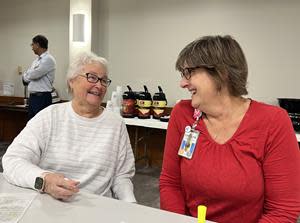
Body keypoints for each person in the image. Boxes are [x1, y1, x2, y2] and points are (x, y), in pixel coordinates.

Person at [159, 35, 300, 222]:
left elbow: (283, 210)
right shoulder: (182, 114)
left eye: (189, 72)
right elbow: (170, 183)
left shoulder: (273, 122)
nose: (183, 83)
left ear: (221, 72)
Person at [3, 51, 136, 203]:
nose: (99, 85)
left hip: (98, 209)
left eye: (104, 80)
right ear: (72, 80)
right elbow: (12, 161)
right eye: (92, 77)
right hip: (49, 206)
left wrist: (131, 205)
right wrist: (45, 181)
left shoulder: (116, 125)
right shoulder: (49, 117)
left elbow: (122, 177)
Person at [22, 34, 56, 119]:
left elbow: (34, 74)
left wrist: (28, 75)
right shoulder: (36, 61)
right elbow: (27, 75)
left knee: (41, 125)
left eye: (32, 44)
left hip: (42, 98)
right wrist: (28, 75)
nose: (32, 47)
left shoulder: (48, 59)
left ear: (37, 45)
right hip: (33, 98)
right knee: (32, 124)